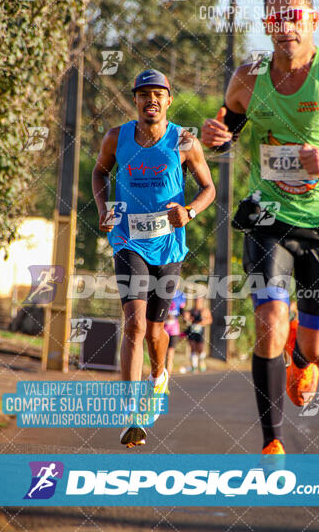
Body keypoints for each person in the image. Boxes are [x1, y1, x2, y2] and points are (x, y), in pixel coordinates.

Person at [201, 0, 319, 455]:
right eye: (277, 18)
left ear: (313, 20)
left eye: (294, 16)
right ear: (267, 25)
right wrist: (216, 135)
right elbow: (229, 129)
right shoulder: (248, 78)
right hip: (269, 217)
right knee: (269, 319)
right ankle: (272, 441)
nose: (286, 26)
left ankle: (302, 356)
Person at [93, 69, 215, 448]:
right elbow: (100, 172)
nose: (152, 100)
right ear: (136, 100)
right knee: (134, 324)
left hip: (168, 247)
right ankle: (130, 414)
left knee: (157, 331)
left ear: (169, 99)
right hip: (128, 241)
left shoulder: (184, 140)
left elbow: (209, 188)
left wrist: (190, 211)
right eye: (144, 94)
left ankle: (159, 374)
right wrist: (103, 206)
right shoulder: (117, 137)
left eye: (158, 94)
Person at [184, 296, 212, 372]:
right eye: (196, 301)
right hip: (192, 331)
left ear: (202, 302)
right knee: (192, 347)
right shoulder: (191, 310)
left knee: (200, 348)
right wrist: (187, 318)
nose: (197, 302)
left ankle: (202, 363)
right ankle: (194, 366)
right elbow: (186, 318)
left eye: (199, 301)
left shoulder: (204, 310)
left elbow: (209, 320)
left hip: (200, 331)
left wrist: (202, 322)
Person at [165, 289, 186, 376]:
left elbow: (182, 310)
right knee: (161, 354)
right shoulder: (162, 292)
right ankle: (160, 375)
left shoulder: (181, 295)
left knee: (170, 354)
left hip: (174, 328)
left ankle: (167, 376)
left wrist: (185, 317)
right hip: (162, 327)